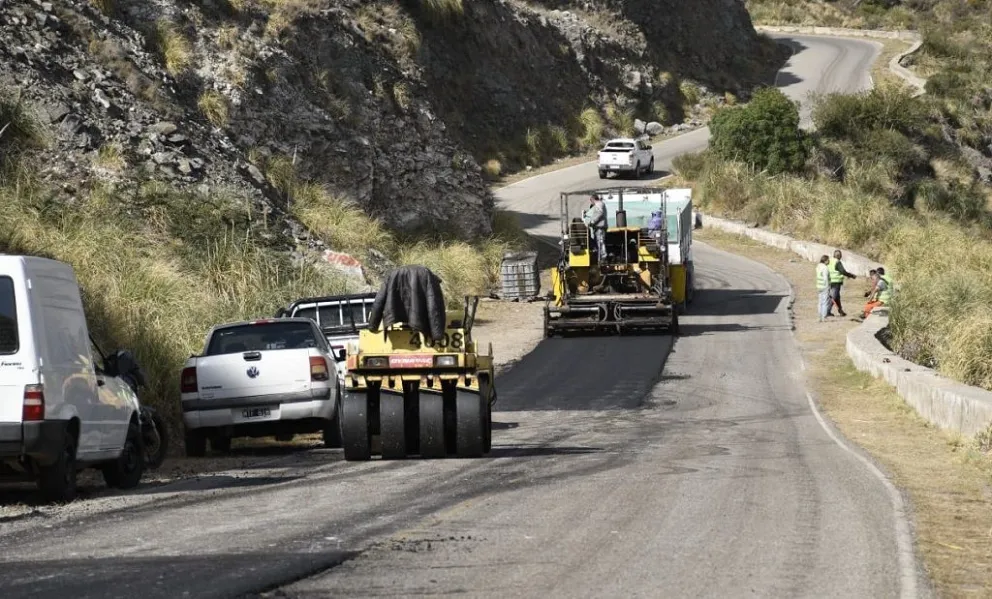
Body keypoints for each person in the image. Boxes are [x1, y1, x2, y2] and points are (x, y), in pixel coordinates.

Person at [827, 249, 857, 317]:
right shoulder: (837, 262)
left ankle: (840, 311)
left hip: (829, 281)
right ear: (840, 256)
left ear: (833, 255)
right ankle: (827, 311)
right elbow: (843, 271)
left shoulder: (829, 261)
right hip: (836, 282)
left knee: (837, 297)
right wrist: (851, 275)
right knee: (834, 297)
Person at [583, 194, 608, 262]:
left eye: (591, 201)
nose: (592, 203)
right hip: (599, 226)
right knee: (599, 241)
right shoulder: (600, 204)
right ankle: (601, 257)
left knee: (600, 241)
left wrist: (592, 221)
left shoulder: (599, 204)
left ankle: (603, 257)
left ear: (593, 199)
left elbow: (599, 213)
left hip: (600, 226)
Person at [816, 254, 831, 322]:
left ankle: (819, 316)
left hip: (819, 286)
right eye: (828, 260)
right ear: (825, 261)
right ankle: (824, 316)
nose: (829, 261)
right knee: (825, 302)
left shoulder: (818, 266)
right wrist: (828, 286)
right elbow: (825, 278)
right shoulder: (825, 268)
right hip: (824, 286)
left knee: (820, 302)